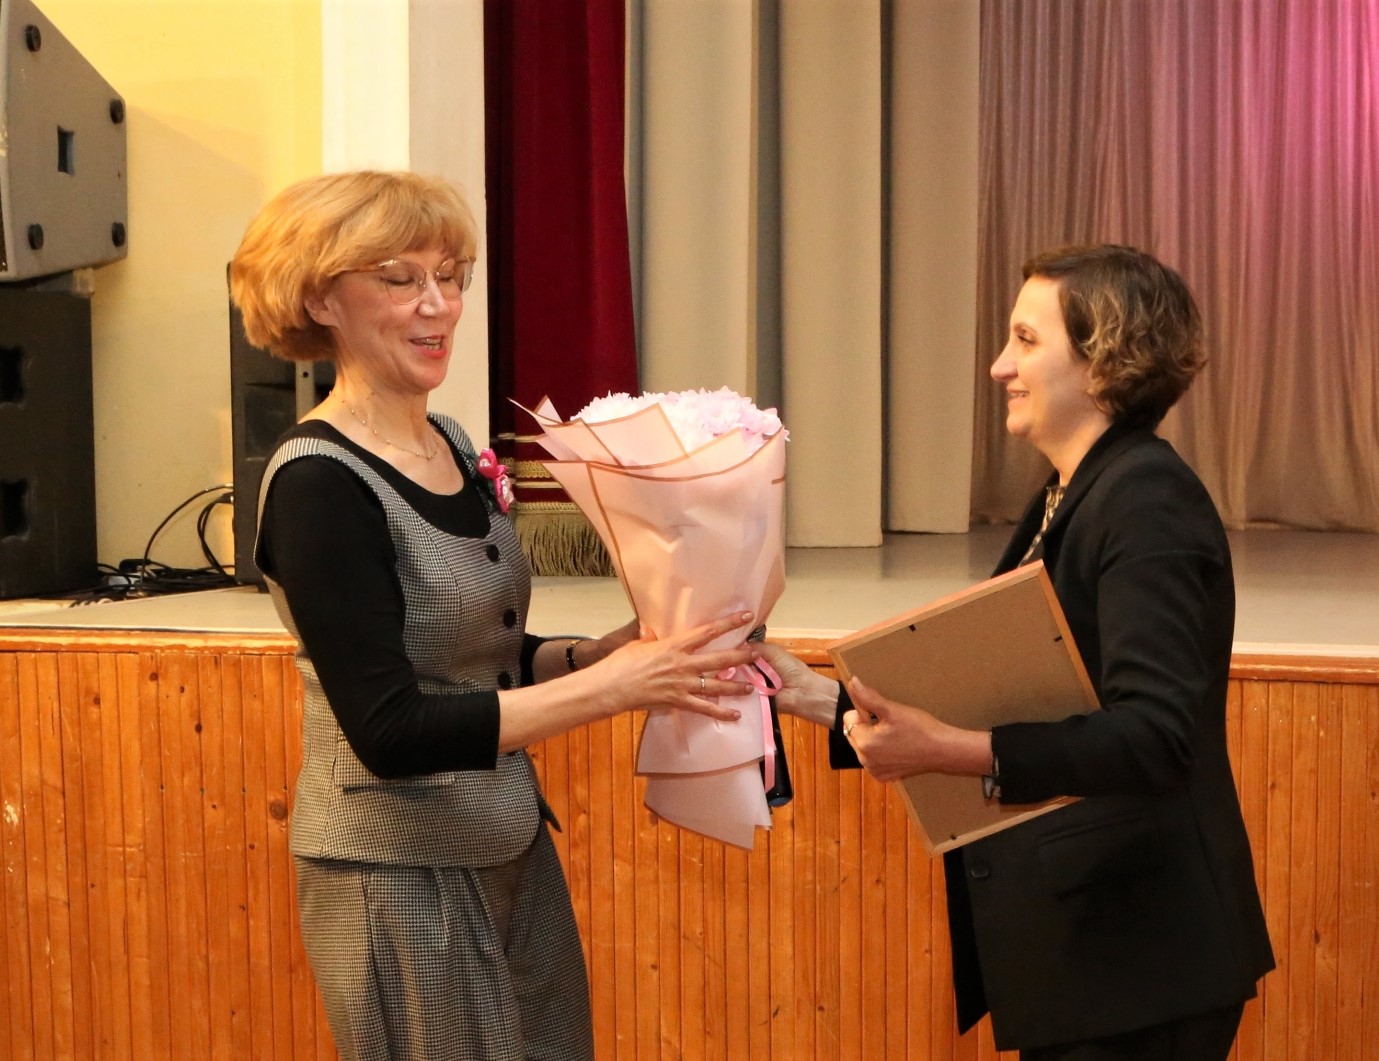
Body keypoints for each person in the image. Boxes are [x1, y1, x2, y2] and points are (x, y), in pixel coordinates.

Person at [229, 170, 758, 1061]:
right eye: (398, 279)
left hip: (506, 842)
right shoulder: (318, 481)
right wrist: (617, 689)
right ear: (319, 299)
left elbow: (481, 652)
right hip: (399, 872)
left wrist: (602, 653)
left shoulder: (451, 443)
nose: (437, 304)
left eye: (451, 275)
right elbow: (391, 728)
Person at [764, 244, 1274, 1060]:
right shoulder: (1072, 492)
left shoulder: (1144, 499)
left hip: (1141, 958)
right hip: (1096, 954)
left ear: (1105, 362)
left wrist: (948, 749)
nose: (999, 365)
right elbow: (1017, 695)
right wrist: (815, 697)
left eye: (1026, 340)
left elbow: (1154, 735)